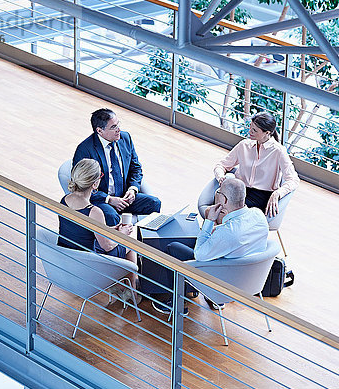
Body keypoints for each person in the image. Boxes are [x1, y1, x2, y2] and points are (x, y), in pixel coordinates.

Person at [154, 178, 269, 315]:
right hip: (249, 279)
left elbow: (199, 255)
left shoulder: (228, 232)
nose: (216, 194)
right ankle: (203, 295)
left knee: (173, 247)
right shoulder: (259, 215)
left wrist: (209, 220)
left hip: (223, 281)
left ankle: (177, 303)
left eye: (218, 192)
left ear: (224, 200)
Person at [58, 158, 139, 299]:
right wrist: (122, 234)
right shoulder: (93, 211)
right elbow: (107, 246)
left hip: (67, 259)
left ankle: (122, 287)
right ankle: (131, 291)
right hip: (88, 265)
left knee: (124, 239)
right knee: (130, 243)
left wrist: (112, 229)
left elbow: (83, 231)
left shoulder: (64, 200)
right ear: (95, 184)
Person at [73, 108, 161, 226]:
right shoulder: (85, 149)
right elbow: (82, 185)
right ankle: (119, 244)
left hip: (124, 196)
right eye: (113, 127)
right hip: (102, 200)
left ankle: (144, 240)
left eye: (118, 124)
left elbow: (136, 168)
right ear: (99, 130)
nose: (118, 129)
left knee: (154, 203)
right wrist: (109, 199)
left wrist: (132, 189)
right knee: (111, 216)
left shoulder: (125, 138)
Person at [214, 111, 299, 218]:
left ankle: (215, 232)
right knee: (216, 206)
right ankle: (211, 233)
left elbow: (293, 180)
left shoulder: (278, 151)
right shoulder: (244, 145)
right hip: (239, 190)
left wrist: (278, 193)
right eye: (250, 127)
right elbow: (221, 165)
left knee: (227, 211)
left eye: (254, 130)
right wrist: (220, 176)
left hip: (260, 196)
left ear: (267, 133)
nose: (250, 131)